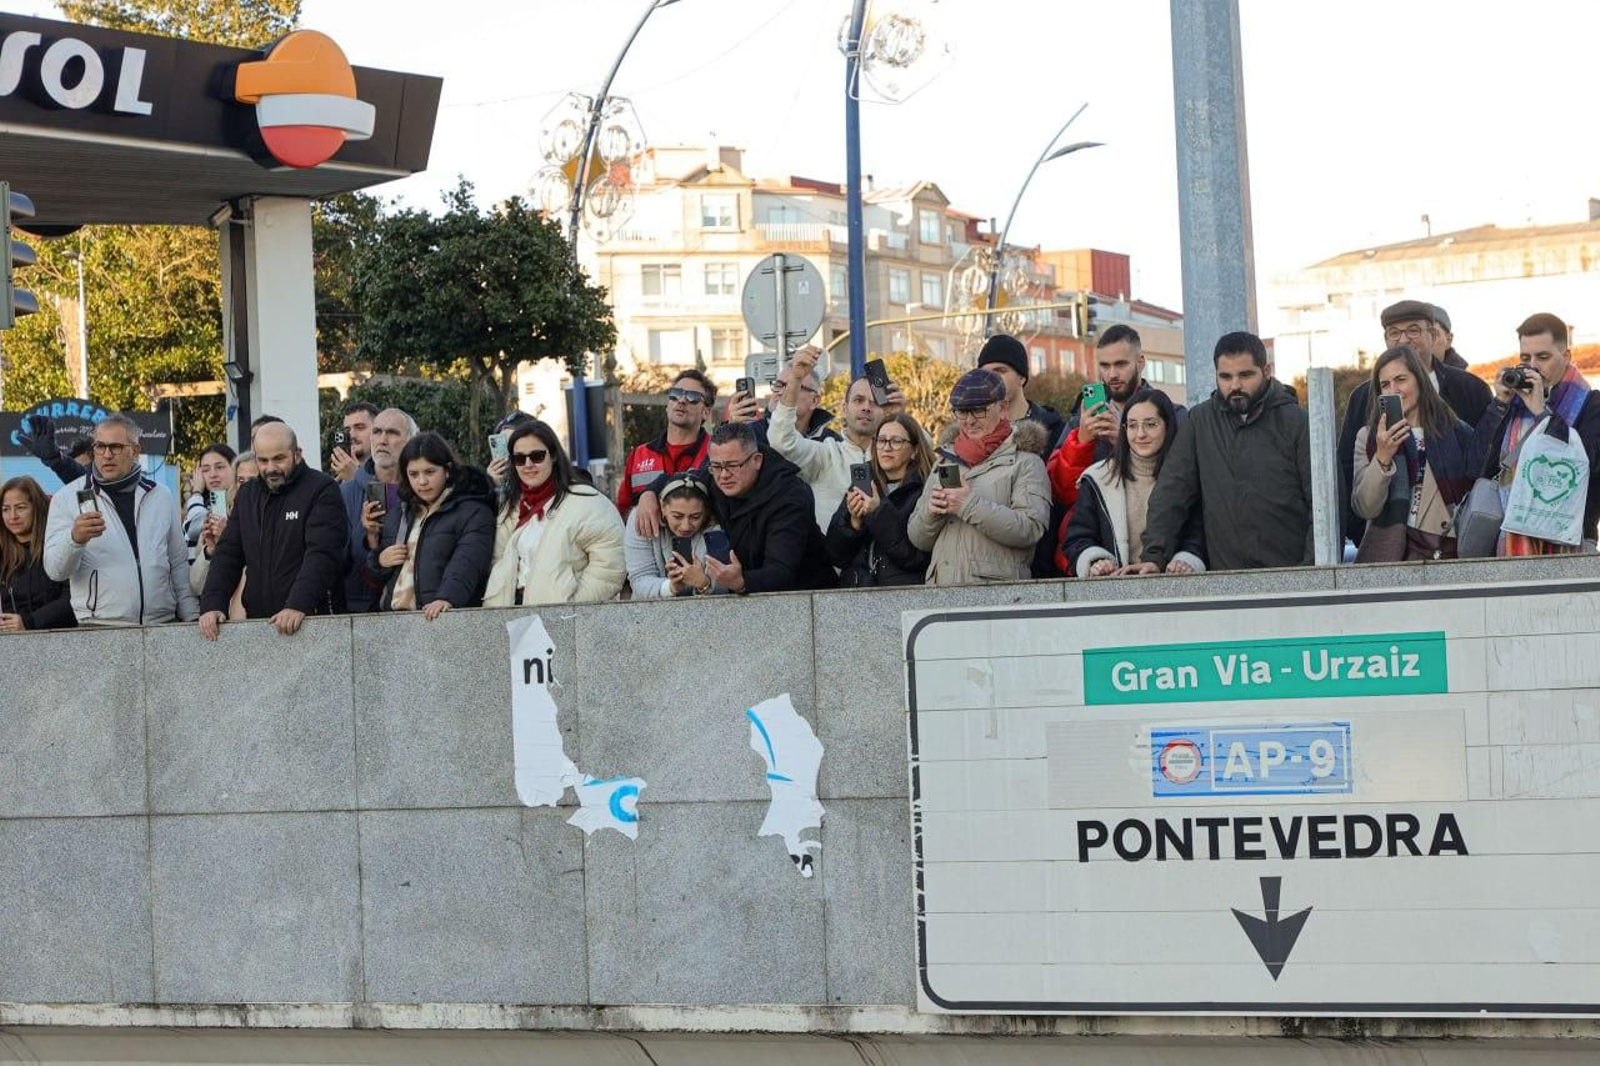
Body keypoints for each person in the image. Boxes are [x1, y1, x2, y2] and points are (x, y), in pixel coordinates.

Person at [1141, 332, 1312, 572]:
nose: (1235, 385)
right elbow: (1171, 492)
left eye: (1245, 375)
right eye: (1225, 376)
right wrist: (1154, 556)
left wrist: (1311, 570)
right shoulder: (1199, 421)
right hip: (1225, 580)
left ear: (1266, 371)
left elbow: (1322, 501)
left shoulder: (1297, 421)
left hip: (1294, 578)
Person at [1339, 300, 1491, 545]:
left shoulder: (1469, 390)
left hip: (1452, 543)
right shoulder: (1363, 398)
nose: (1403, 340)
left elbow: (1484, 463)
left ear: (1432, 334)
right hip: (1390, 543)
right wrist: (1368, 537)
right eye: (1394, 333)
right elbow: (1350, 475)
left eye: (1413, 330)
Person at [1047, 324, 1184, 574]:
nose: (1112, 374)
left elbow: (1182, 480)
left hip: (1163, 557)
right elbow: (1061, 493)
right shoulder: (1081, 421)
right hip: (1097, 557)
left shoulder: (1172, 415)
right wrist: (1082, 442)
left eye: (1121, 364)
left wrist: (1122, 443)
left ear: (1141, 362)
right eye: (1105, 366)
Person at [197, 422, 349, 639]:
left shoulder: (321, 489)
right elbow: (228, 553)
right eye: (263, 460)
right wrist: (212, 604)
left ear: (297, 454)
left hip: (313, 620)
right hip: (259, 623)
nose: (270, 468)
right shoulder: (247, 494)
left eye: (279, 459)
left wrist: (298, 604)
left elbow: (323, 553)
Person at [43, 413, 198, 626]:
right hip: (100, 626)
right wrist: (74, 539)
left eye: (115, 447)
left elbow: (178, 562)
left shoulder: (160, 495)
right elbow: (55, 571)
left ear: (135, 451)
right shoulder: (67, 498)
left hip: (161, 623)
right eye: (100, 446)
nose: (107, 455)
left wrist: (191, 616)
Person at [906, 368, 1051, 585]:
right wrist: (930, 513)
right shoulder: (945, 459)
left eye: (979, 410)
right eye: (961, 411)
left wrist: (968, 505)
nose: (969, 421)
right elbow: (918, 539)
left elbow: (1030, 530)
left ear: (1003, 408)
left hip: (998, 600)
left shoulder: (1026, 462)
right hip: (940, 598)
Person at [1476, 312, 1600, 555]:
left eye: (1543, 357)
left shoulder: (1591, 403)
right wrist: (1499, 404)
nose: (1533, 366)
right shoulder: (1512, 404)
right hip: (1507, 539)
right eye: (1525, 357)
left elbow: (1588, 463)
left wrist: (1542, 414)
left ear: (1566, 356)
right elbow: (1477, 467)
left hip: (1570, 542)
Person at [1350, 346, 1481, 561]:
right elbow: (1366, 507)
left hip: (1445, 553)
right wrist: (1382, 457)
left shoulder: (1457, 432)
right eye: (1385, 384)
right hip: (1389, 555)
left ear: (1419, 380)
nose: (1394, 390)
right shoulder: (1369, 438)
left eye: (1401, 379)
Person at [1063, 388, 1204, 577]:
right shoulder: (1098, 478)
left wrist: (1186, 559)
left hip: (1174, 588)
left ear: (1168, 426)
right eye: (1132, 425)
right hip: (1115, 593)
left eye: (1151, 424)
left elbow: (1198, 532)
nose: (1140, 434)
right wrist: (1096, 560)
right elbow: (1077, 537)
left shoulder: (1187, 477)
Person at [484, 420, 625, 606]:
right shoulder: (511, 507)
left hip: (566, 617)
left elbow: (609, 566)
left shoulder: (589, 502)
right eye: (519, 458)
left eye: (537, 456)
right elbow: (498, 560)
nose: (528, 464)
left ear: (554, 456)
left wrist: (572, 604)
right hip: (512, 615)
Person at [766, 345, 907, 530]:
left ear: (885, 410)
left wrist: (901, 420)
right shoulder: (826, 453)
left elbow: (924, 455)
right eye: (858, 400)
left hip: (885, 554)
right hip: (832, 556)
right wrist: (795, 379)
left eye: (874, 402)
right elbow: (781, 441)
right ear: (844, 408)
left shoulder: (898, 453)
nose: (866, 407)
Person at [363, 432, 496, 618]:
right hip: (394, 622)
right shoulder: (400, 512)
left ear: (447, 470)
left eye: (429, 472)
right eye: (414, 474)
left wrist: (447, 598)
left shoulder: (473, 511)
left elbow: (467, 562)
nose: (422, 481)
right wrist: (379, 561)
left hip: (444, 617)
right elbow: (375, 578)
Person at [700, 421, 836, 594]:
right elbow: (685, 481)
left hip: (809, 598)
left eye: (733, 466)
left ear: (757, 460)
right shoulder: (715, 474)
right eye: (717, 467)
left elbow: (781, 571)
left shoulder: (789, 496)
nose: (724, 475)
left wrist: (741, 582)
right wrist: (653, 491)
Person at [825, 412, 934, 587]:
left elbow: (914, 557)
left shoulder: (925, 490)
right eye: (881, 440)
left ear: (914, 450)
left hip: (902, 594)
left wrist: (878, 511)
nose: (887, 447)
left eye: (896, 441)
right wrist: (853, 523)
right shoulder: (864, 483)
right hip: (857, 594)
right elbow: (836, 556)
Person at [339, 407, 415, 612]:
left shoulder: (424, 490)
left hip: (412, 607)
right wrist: (368, 536)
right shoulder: (345, 492)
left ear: (410, 440)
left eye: (392, 433)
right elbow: (337, 559)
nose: (382, 440)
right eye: (377, 432)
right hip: (358, 610)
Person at [617, 368, 715, 521]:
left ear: (706, 413)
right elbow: (622, 512)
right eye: (676, 394)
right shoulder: (639, 454)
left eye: (693, 397)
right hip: (648, 543)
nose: (681, 400)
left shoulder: (717, 452)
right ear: (667, 405)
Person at [623, 471, 726, 598]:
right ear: (662, 506)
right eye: (677, 516)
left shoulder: (716, 526)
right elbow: (639, 579)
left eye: (695, 516)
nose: (685, 526)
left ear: (705, 511)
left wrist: (704, 583)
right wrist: (671, 587)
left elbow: (725, 586)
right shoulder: (642, 518)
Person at [0, 476, 74, 632]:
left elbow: (73, 597)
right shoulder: (3, 555)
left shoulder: (58, 546)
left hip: (60, 640)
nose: (13, 516)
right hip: (11, 645)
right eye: (6, 509)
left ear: (37, 508)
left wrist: (30, 622)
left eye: (20, 507)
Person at [977, 333, 1065, 453]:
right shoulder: (972, 434)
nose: (991, 379)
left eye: (1000, 371)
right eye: (984, 374)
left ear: (1022, 377)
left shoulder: (1055, 432)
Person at [182, 443, 237, 563]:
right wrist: (197, 493)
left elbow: (196, 526)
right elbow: (194, 527)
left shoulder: (241, 502)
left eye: (220, 467)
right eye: (206, 470)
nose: (213, 474)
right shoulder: (199, 505)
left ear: (234, 468)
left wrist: (196, 491)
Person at [16, 414, 89, 486]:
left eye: (87, 468)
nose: (84, 475)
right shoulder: (60, 496)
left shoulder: (95, 484)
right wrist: (55, 459)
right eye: (78, 467)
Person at [329, 400, 378, 482]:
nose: (352, 435)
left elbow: (384, 494)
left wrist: (355, 476)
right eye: (347, 430)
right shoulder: (334, 484)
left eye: (360, 428)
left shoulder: (393, 471)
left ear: (377, 431)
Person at [1432, 304, 1468, 371]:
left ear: (1448, 340)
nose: (1424, 341)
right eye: (1414, 332)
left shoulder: (1465, 379)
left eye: (1433, 334)